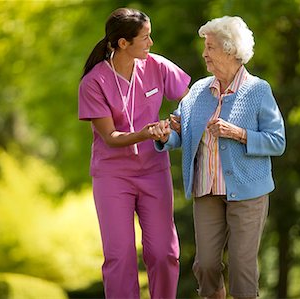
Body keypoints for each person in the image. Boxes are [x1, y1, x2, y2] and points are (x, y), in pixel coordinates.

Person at [151, 16, 286, 299]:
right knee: (206, 266)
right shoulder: (199, 90)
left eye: (210, 47)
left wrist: (239, 133)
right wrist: (166, 134)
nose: (204, 54)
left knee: (242, 267)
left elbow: (277, 141)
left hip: (248, 193)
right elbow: (179, 131)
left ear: (229, 49)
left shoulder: (258, 90)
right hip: (207, 190)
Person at [78, 7, 190, 299]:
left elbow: (192, 99)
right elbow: (110, 137)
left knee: (165, 252)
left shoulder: (157, 66)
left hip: (154, 171)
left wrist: (177, 119)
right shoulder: (93, 82)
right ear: (123, 43)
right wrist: (145, 133)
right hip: (113, 176)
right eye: (145, 38)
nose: (151, 43)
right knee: (121, 256)